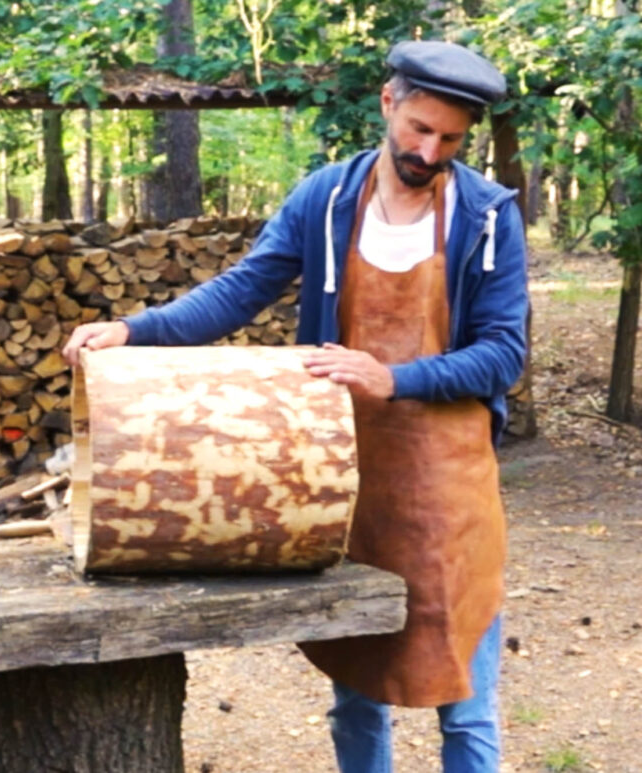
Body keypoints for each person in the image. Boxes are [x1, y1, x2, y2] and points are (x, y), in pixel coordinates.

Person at [62, 40, 527, 773]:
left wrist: (395, 378)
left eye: (449, 139)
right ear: (388, 102)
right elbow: (242, 290)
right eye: (418, 129)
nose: (429, 150)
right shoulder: (328, 199)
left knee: (465, 708)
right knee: (356, 696)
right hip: (339, 483)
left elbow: (504, 354)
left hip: (449, 493)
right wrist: (134, 328)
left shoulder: (488, 216)